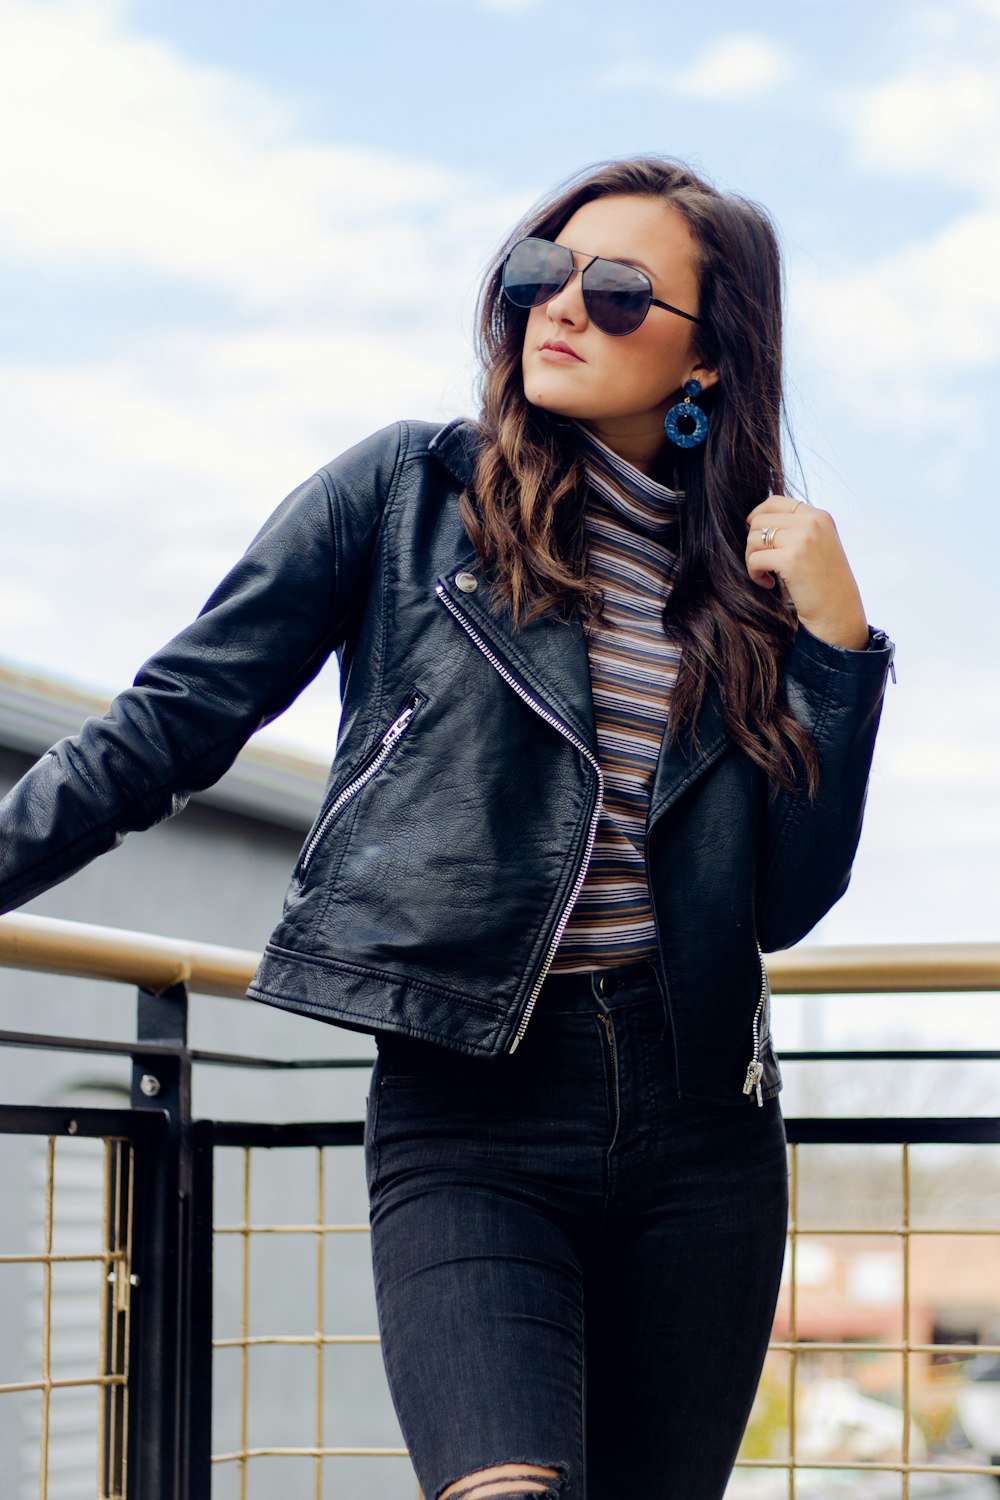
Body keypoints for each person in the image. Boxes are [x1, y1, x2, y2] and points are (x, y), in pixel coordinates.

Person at [0, 156, 894, 1499]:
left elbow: (787, 904)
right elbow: (170, 725)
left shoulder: (755, 591)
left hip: (701, 1132)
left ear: (711, 362)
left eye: (618, 289)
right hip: (471, 1107)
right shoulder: (408, 494)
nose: (563, 307)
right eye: (544, 272)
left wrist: (837, 646)